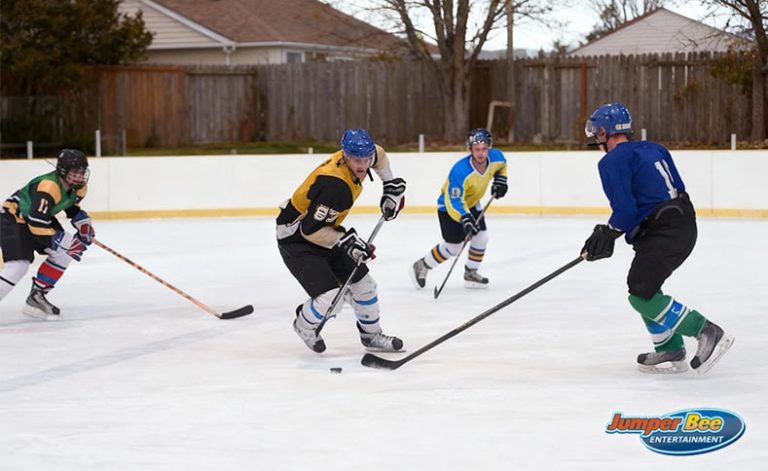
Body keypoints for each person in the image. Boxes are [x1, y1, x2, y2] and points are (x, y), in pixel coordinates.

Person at [581, 103, 734, 375]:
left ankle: (706, 331)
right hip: (683, 222)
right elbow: (675, 189)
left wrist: (609, 231)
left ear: (604, 131)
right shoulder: (654, 148)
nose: (596, 138)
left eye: (597, 132)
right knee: (644, 286)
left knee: (640, 294)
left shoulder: (611, 161)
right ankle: (669, 347)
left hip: (664, 228)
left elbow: (626, 209)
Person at [276, 128, 406, 353]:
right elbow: (310, 230)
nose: (363, 165)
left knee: (365, 286)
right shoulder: (336, 185)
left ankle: (371, 336)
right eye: (357, 160)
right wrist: (346, 242)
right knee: (331, 297)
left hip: (323, 229)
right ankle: (304, 326)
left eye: (366, 159)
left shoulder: (365, 154)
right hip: (296, 238)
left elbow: (380, 155)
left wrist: (390, 187)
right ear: (345, 155)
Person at [0, 149, 94, 320]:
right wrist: (59, 240)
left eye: (82, 172)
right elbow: (36, 221)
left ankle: (36, 296)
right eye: (75, 172)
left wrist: (83, 222)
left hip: (38, 218)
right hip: (14, 217)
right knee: (18, 266)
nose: (79, 177)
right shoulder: (48, 186)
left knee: (65, 253)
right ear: (63, 171)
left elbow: (70, 206)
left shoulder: (79, 188)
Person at [410, 128, 507, 289]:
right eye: (477, 150)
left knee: (481, 237)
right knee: (453, 247)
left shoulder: (497, 158)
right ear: (470, 149)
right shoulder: (460, 171)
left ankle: (471, 272)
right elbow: (453, 201)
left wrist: (501, 181)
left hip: (471, 203)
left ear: (489, 147)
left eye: (484, 149)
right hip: (449, 207)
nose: (481, 154)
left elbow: (502, 167)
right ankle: (422, 265)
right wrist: (465, 217)